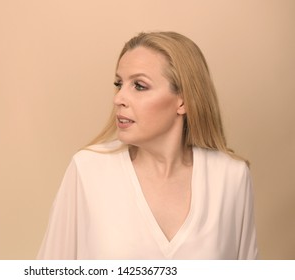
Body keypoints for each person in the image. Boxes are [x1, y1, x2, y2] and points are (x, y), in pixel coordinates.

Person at [37, 31, 258, 259]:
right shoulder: (88, 169)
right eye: (119, 84)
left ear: (183, 101)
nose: (118, 98)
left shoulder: (232, 177)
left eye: (139, 86)